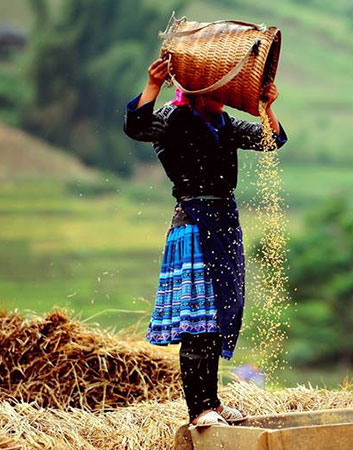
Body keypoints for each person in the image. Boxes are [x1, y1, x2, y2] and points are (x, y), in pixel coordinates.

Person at [123, 56, 287, 429]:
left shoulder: (225, 124)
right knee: (199, 321)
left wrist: (266, 106)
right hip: (195, 223)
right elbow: (136, 126)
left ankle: (211, 401)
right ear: (196, 92)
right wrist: (152, 85)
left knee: (216, 318)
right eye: (217, 91)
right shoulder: (173, 119)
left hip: (225, 224)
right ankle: (199, 410)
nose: (224, 98)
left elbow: (271, 140)